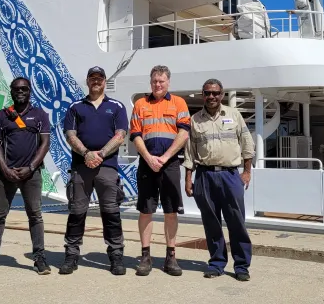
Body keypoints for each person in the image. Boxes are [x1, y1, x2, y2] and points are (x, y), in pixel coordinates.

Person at [0, 77, 52, 277]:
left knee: (35, 215)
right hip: (5, 174)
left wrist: (31, 167)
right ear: (11, 91)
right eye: (17, 89)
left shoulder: (40, 115)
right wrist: (5, 168)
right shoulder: (3, 116)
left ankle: (39, 258)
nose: (20, 91)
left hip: (31, 174)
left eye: (24, 89)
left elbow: (45, 143)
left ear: (30, 91)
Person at [59, 66, 129, 276]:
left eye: (99, 78)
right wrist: (87, 153)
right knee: (77, 213)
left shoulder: (116, 106)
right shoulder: (75, 107)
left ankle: (116, 256)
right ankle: (71, 256)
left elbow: (121, 134)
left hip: (107, 167)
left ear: (105, 81)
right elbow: (70, 135)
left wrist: (100, 154)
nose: (96, 81)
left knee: (111, 213)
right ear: (87, 81)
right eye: (92, 78)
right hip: (81, 167)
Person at [184, 78, 254, 282]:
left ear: (222, 94)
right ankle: (216, 263)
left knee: (237, 222)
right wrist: (188, 179)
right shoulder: (195, 119)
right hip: (204, 176)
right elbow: (190, 152)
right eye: (207, 93)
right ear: (202, 94)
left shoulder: (234, 115)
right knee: (211, 222)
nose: (211, 96)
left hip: (230, 175)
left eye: (215, 93)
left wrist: (247, 171)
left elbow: (247, 143)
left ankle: (241, 265)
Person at [129, 65, 190, 276]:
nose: (158, 84)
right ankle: (145, 257)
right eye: (155, 81)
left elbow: (184, 133)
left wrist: (164, 158)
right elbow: (135, 134)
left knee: (171, 211)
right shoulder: (140, 104)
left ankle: (170, 257)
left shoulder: (179, 103)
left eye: (161, 81)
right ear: (150, 82)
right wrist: (149, 158)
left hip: (170, 163)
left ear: (168, 82)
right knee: (146, 211)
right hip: (147, 163)